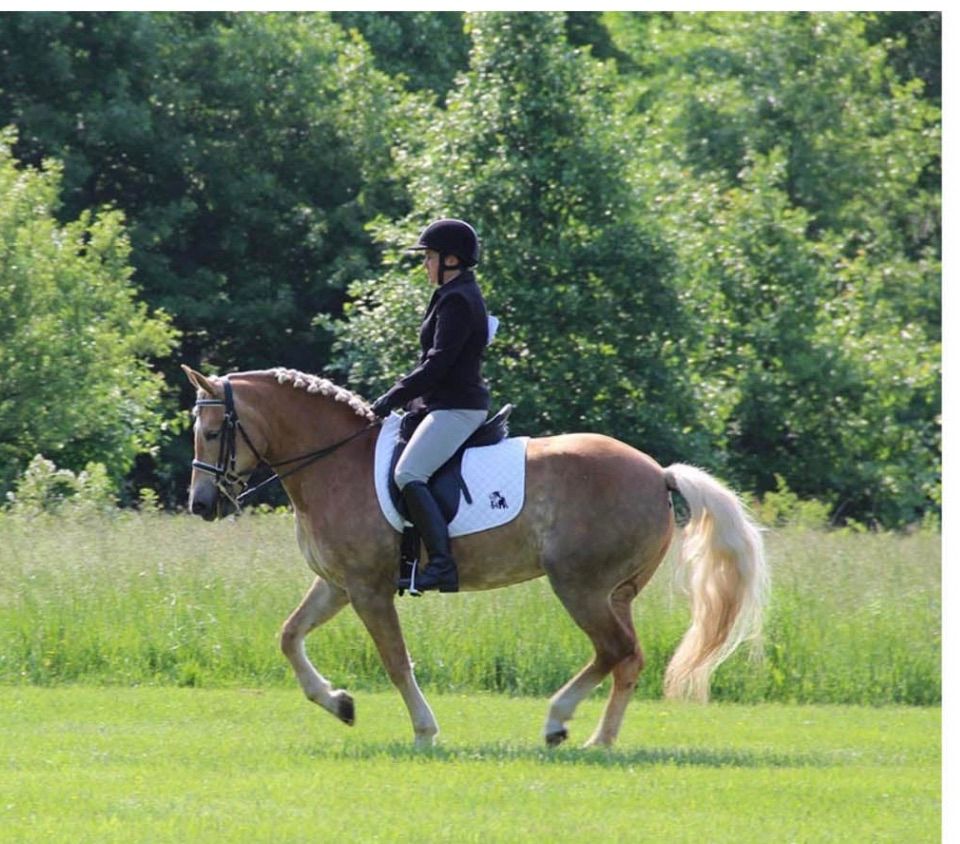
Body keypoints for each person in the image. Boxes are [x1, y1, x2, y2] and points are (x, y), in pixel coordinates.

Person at [369, 219, 492, 593]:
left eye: (430, 257)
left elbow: (436, 365)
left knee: (408, 473)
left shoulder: (457, 300)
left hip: (457, 408)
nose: (425, 264)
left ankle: (441, 564)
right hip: (442, 403)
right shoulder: (453, 293)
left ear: (451, 260)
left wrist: (393, 397)